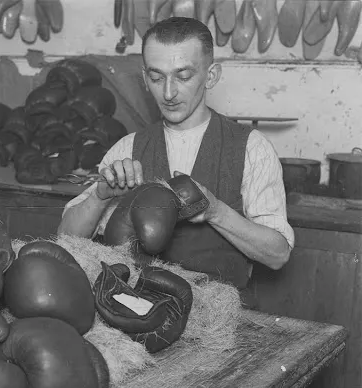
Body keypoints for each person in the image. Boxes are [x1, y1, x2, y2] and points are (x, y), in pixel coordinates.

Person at [57, 17, 294, 289]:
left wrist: (216, 212)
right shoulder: (128, 148)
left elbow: (278, 254)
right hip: (140, 315)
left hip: (219, 321)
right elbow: (66, 240)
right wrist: (100, 196)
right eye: (157, 77)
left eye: (183, 76)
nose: (168, 93)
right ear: (145, 79)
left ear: (211, 76)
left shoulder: (252, 148)